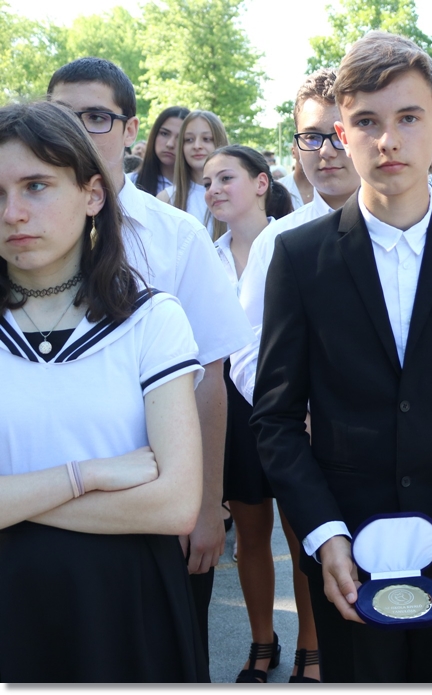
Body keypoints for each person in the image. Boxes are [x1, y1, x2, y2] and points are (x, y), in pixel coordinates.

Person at [249, 32, 432, 683]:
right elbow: (276, 418)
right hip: (348, 548)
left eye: (408, 118)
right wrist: (324, 533)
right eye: (367, 122)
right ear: (343, 135)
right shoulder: (300, 258)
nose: (388, 140)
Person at [47, 57, 255, 676]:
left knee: (165, 657)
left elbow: (210, 375)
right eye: (60, 116)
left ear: (131, 128)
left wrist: (209, 504)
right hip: (42, 499)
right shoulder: (20, 232)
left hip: (157, 502)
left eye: (96, 117)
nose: (77, 131)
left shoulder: (174, 236)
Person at [0, 100, 207, 683]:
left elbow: (175, 504)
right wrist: (87, 474)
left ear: (92, 194)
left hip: (124, 606)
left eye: (36, 186)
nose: (13, 213)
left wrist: (14, 502)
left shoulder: (152, 319)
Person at [201, 145, 321, 683]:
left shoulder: (294, 240)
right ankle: (262, 641)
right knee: (250, 535)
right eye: (207, 183)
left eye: (225, 177)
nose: (214, 190)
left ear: (260, 182)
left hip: (290, 407)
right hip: (229, 408)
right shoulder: (204, 254)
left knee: (303, 537)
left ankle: (311, 648)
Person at [228, 67, 361, 406]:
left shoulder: (405, 229)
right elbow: (248, 350)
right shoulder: (275, 241)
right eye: (311, 137)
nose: (325, 151)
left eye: (338, 134)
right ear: (297, 147)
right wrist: (299, 418)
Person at [157, 110, 230, 239]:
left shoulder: (237, 193)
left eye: (206, 139)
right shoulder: (167, 198)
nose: (197, 146)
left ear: (220, 142)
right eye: (189, 140)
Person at [132, 105, 190, 196]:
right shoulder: (130, 182)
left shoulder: (201, 190)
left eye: (180, 138)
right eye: (164, 133)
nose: (170, 144)